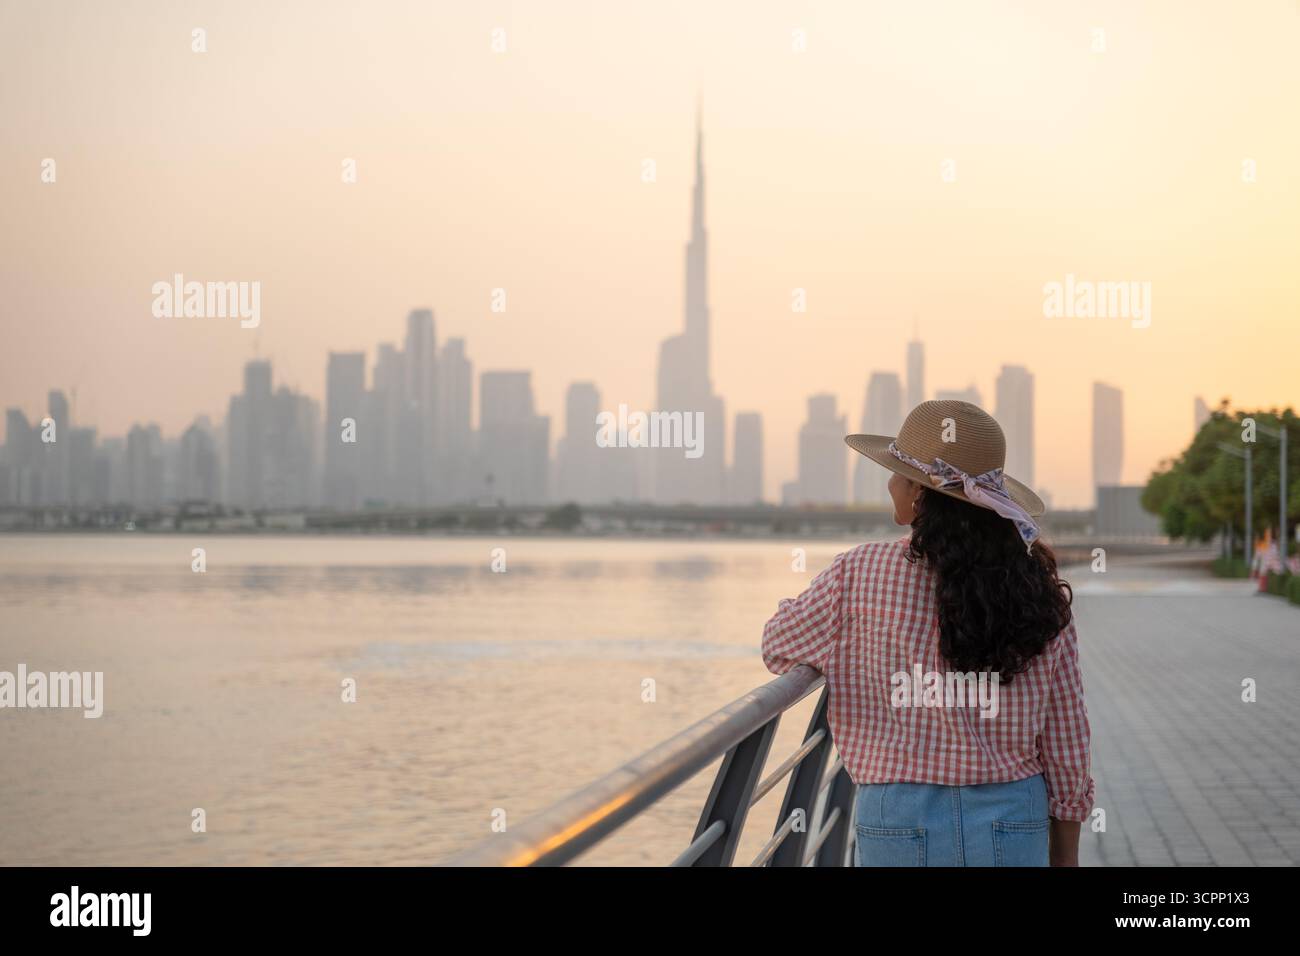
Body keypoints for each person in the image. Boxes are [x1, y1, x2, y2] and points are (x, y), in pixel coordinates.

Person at [762, 400, 1094, 866]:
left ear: (919, 492)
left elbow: (778, 643)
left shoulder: (859, 572)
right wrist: (1067, 858)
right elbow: (1067, 736)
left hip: (898, 817)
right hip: (1013, 814)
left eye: (897, 472)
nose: (889, 481)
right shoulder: (1036, 589)